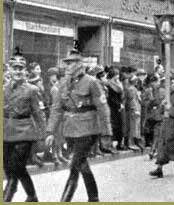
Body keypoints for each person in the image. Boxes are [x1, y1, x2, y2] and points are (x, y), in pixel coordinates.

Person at [45, 48, 112, 202]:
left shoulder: (92, 82)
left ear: (80, 64)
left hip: (88, 129)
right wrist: (49, 131)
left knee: (75, 165)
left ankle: (65, 199)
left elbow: (103, 108)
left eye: (72, 62)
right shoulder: (63, 84)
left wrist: (107, 133)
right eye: (66, 63)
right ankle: (94, 198)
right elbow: (56, 109)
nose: (68, 66)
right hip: (70, 130)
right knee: (81, 164)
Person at [3, 54, 46, 202]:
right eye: (15, 68)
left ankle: (6, 197)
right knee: (11, 167)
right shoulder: (3, 89)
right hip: (6, 131)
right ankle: (32, 196)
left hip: (25, 132)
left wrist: (44, 134)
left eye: (20, 68)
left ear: (25, 70)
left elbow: (38, 113)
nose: (17, 71)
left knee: (15, 167)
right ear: (9, 70)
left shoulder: (32, 90)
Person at [106, 67, 126, 150]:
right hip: (112, 108)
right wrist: (118, 105)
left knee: (120, 126)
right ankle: (110, 144)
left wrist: (121, 104)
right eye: (116, 75)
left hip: (119, 107)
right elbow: (110, 98)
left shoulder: (119, 84)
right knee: (113, 126)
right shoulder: (109, 85)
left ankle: (119, 143)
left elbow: (121, 95)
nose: (117, 77)